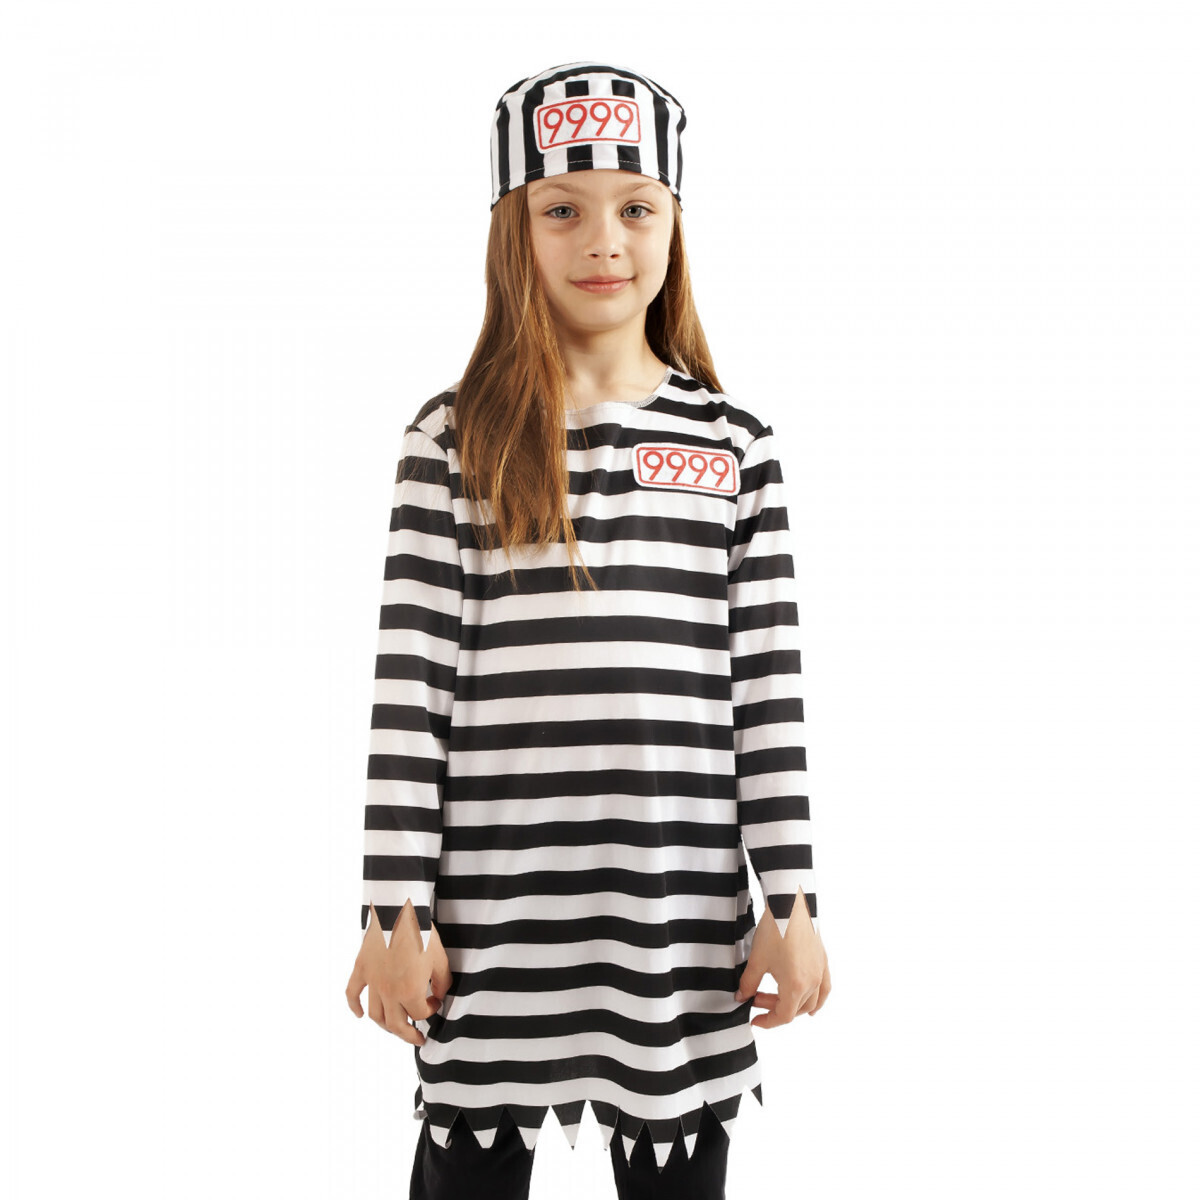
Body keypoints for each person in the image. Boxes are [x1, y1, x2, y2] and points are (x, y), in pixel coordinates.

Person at [344, 60, 832, 1200]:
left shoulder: (733, 448)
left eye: (636, 208)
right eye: (561, 210)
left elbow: (766, 699)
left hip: (675, 918)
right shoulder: (453, 441)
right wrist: (392, 909)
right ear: (513, 232)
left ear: (673, 223)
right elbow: (411, 693)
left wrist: (794, 901)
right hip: (495, 922)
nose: (603, 240)